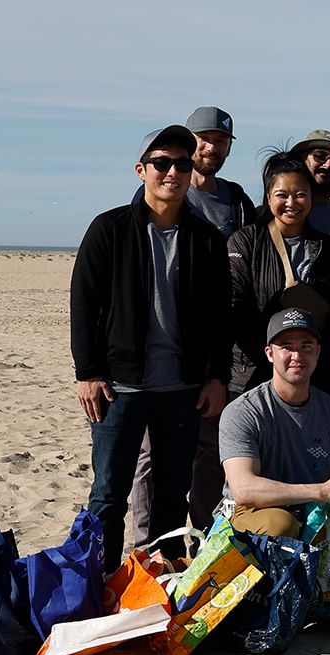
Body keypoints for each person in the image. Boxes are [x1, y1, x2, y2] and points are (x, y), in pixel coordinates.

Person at [69, 125, 230, 571]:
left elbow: (221, 316)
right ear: (142, 170)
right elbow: (84, 303)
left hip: (182, 387)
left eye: (182, 163)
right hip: (119, 387)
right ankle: (96, 583)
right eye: (162, 162)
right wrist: (88, 372)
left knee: (170, 493)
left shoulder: (206, 239)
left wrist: (217, 376)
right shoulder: (110, 229)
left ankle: (160, 580)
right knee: (108, 493)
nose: (172, 171)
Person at [225, 153, 330, 412]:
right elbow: (236, 305)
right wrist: (277, 357)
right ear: (268, 196)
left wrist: (307, 359)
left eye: (300, 194)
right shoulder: (244, 242)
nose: (291, 203)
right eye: (282, 194)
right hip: (254, 373)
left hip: (318, 378)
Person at [218, 308, 330, 538]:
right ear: (269, 353)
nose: (297, 356)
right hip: (252, 513)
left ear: (318, 352)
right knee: (281, 523)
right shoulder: (243, 411)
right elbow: (244, 490)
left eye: (306, 346)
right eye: (286, 346)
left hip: (314, 511)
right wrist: (320, 491)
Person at [178, 107, 256, 238]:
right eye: (204, 138)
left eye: (220, 141)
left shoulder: (239, 202)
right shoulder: (168, 195)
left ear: (229, 147)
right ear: (188, 142)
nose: (211, 148)